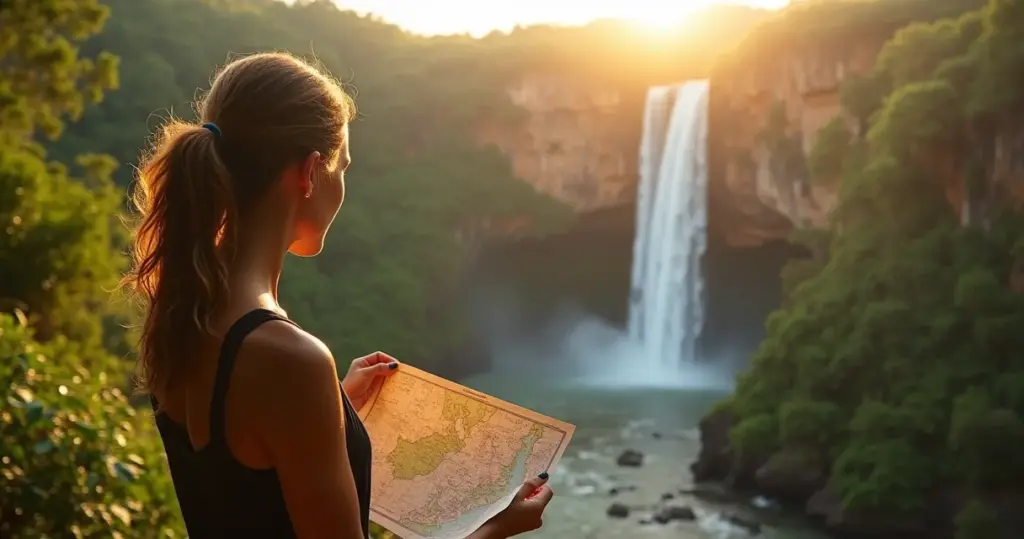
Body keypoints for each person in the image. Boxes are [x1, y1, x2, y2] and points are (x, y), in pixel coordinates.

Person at [122, 52, 554, 539]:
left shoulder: (182, 312)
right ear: (309, 172)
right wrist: (494, 526)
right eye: (342, 166)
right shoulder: (290, 360)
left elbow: (240, 469)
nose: (343, 183)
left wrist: (337, 406)